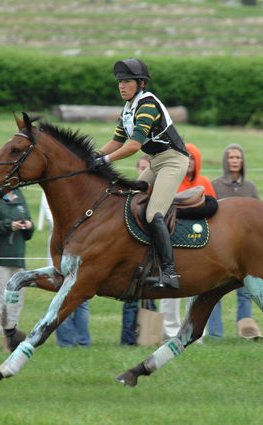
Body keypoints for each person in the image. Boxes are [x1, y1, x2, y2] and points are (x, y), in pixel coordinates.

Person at [92, 58, 189, 289]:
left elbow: (134, 146)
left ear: (141, 83)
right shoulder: (127, 109)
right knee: (130, 203)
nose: (121, 86)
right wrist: (91, 155)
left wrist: (104, 161)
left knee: (153, 213)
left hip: (173, 162)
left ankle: (170, 273)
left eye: (127, 82)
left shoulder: (147, 105)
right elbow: (116, 142)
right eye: (119, 82)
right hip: (155, 163)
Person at [160, 143, 217, 339]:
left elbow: (215, 212)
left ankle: (195, 331)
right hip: (175, 241)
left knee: (198, 287)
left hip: (200, 243)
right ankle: (169, 330)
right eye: (187, 158)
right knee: (170, 287)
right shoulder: (172, 181)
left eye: (193, 158)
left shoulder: (205, 183)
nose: (190, 162)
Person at [209, 143, 263, 339]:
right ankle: (215, 334)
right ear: (225, 161)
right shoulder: (215, 186)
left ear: (242, 162)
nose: (234, 161)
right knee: (214, 291)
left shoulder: (250, 188)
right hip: (221, 249)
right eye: (231, 157)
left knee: (245, 291)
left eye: (238, 158)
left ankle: (246, 331)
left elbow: (260, 216)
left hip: (246, 250)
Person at [0, 188, 34, 352]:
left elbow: (28, 232)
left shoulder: (19, 195)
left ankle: (8, 346)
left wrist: (29, 225)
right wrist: (8, 225)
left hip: (18, 259)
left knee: (13, 305)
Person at [39, 192, 92, 348]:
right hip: (63, 246)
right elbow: (52, 219)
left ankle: (80, 340)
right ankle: (68, 340)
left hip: (80, 246)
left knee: (80, 299)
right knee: (63, 296)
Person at [120, 155, 155, 346]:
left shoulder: (156, 194)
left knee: (150, 296)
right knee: (130, 298)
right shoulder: (130, 195)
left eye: (146, 168)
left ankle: (149, 338)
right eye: (140, 168)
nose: (143, 172)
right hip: (133, 255)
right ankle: (127, 341)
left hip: (150, 254)